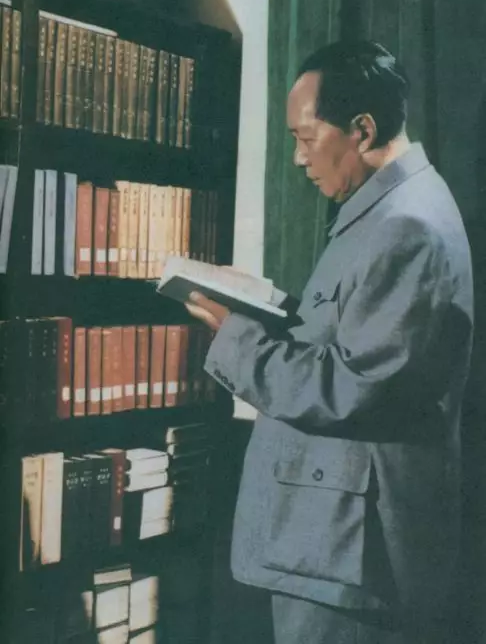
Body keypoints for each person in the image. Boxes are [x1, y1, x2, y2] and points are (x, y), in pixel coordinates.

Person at [185, 41, 474, 643]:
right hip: (336, 545)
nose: (298, 158)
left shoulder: (406, 226)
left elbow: (354, 387)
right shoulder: (392, 209)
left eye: (307, 138)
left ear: (362, 131)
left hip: (349, 554)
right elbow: (359, 338)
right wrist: (267, 307)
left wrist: (237, 339)